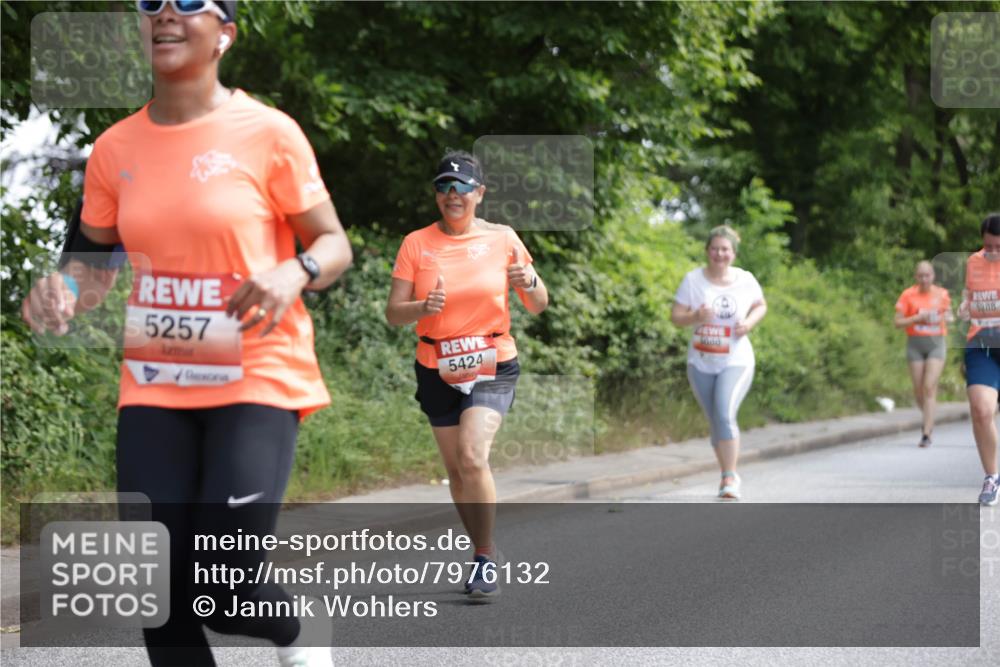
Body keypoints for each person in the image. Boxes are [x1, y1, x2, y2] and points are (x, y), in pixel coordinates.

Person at [21, 1, 352, 665]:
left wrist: (297, 270)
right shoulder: (115, 148)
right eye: (152, 5)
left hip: (256, 373)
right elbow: (92, 265)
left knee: (222, 585)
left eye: (187, 2)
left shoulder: (269, 133)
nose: (165, 14)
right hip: (155, 382)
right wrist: (62, 293)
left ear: (225, 34)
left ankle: (293, 630)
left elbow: (333, 242)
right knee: (157, 591)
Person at [385, 150, 548, 597]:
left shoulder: (504, 239)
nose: (452, 195)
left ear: (479, 193)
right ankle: (480, 547)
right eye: (443, 187)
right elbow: (393, 314)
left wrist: (526, 281)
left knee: (474, 456)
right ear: (436, 195)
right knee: (457, 469)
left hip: (491, 360)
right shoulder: (415, 243)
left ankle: (484, 555)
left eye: (461, 187)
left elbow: (539, 303)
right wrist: (421, 307)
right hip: (435, 364)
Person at [670, 225, 767, 500]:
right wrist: (695, 316)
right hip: (700, 361)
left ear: (733, 254)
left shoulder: (745, 280)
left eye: (725, 249)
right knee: (715, 420)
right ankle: (727, 472)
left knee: (724, 413)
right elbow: (676, 316)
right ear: (707, 251)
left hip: (735, 360)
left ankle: (729, 477)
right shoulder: (693, 280)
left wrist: (748, 322)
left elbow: (761, 304)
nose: (719, 254)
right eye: (714, 248)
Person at [958, 213, 1000, 506]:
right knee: (982, 410)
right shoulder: (973, 262)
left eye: (999, 247)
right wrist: (965, 304)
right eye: (988, 247)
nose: (993, 253)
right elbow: (970, 294)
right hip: (982, 342)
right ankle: (992, 477)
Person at [894, 260, 952, 447]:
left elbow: (950, 315)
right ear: (916, 277)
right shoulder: (908, 295)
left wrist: (943, 316)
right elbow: (897, 322)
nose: (924, 279)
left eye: (928, 275)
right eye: (921, 276)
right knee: (919, 390)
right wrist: (917, 317)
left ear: (933, 276)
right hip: (915, 344)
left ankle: (926, 432)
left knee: (928, 386)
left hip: (936, 343)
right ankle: (929, 414)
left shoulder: (941, 294)